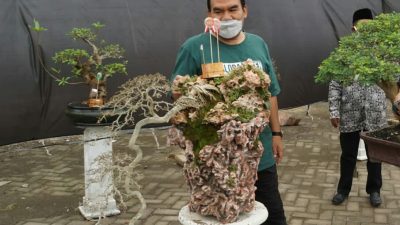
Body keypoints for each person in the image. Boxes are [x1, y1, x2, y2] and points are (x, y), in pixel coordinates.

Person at [170, 0, 287, 224]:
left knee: (273, 217)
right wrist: (199, 90)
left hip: (257, 154)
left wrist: (277, 134)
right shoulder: (194, 47)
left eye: (233, 9)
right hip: (216, 160)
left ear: (245, 11)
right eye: (218, 10)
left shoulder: (258, 44)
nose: (226, 17)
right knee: (224, 216)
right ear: (209, 14)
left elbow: (270, 93)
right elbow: (177, 94)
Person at [329, 8, 386, 207]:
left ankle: (374, 190)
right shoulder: (343, 53)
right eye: (362, 27)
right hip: (349, 114)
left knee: (375, 156)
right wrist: (334, 111)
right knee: (348, 155)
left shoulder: (382, 53)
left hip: (375, 113)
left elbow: (395, 80)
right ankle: (343, 190)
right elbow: (335, 84)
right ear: (353, 29)